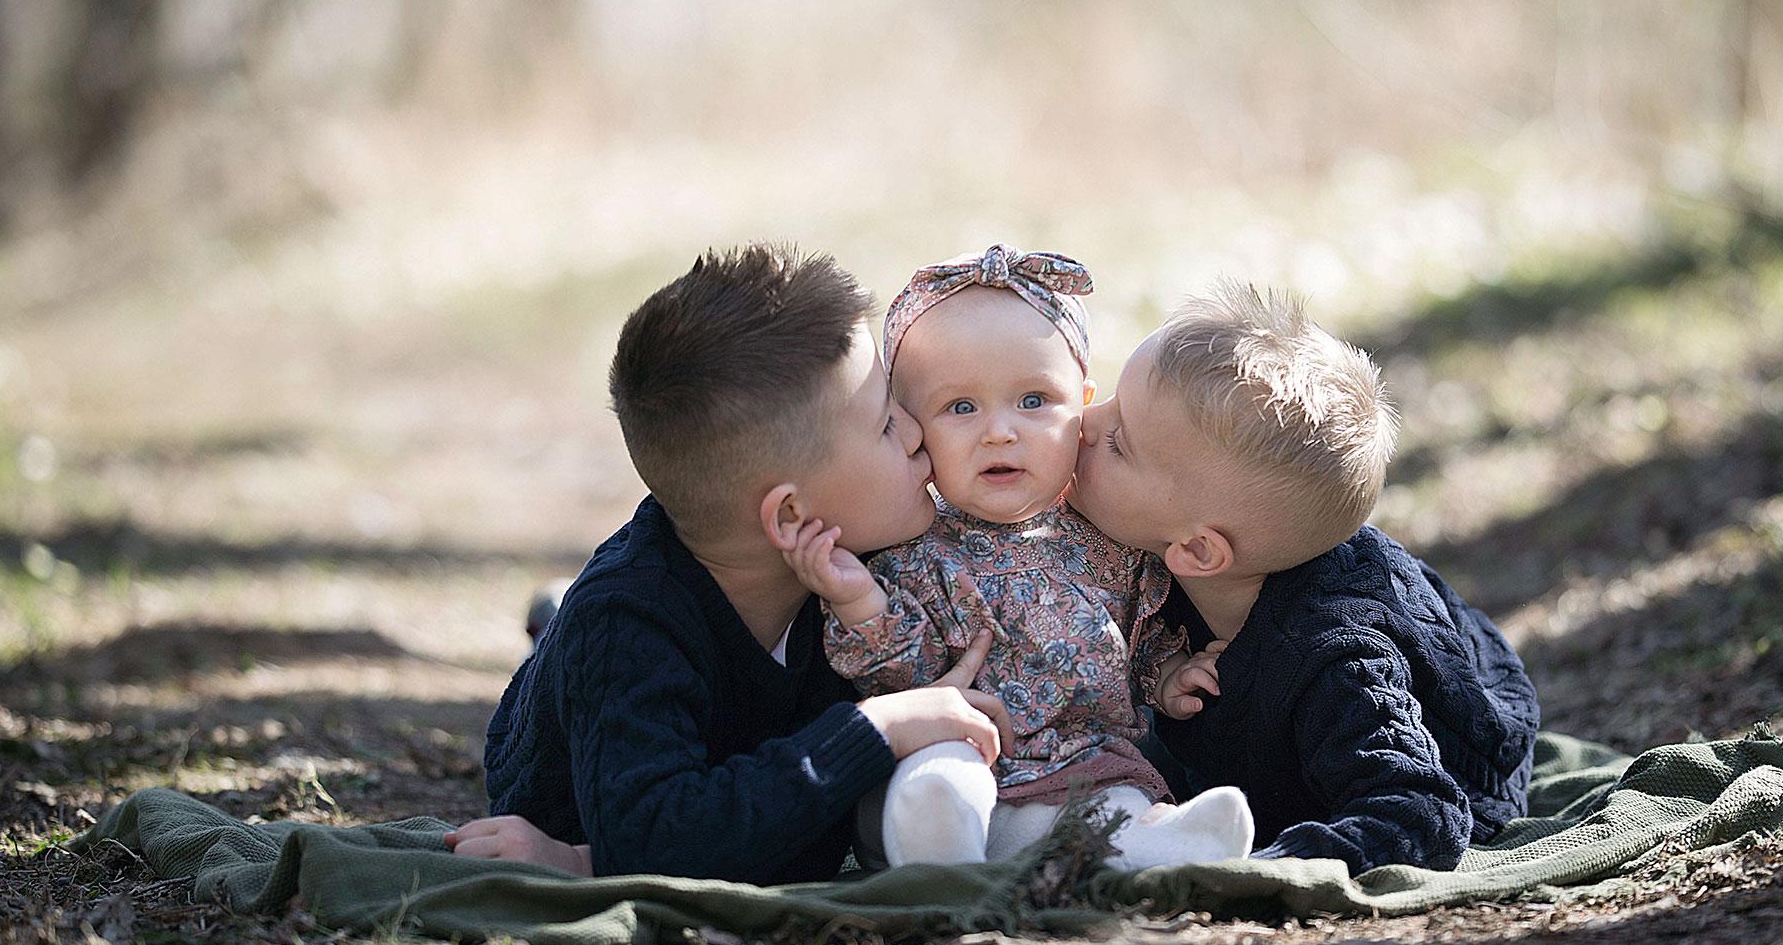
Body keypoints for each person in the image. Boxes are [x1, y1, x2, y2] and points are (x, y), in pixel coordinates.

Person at [444, 244, 1015, 883]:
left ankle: (552, 616)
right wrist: (878, 727)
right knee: (588, 633)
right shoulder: (627, 629)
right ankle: (555, 627)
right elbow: (656, 840)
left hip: (715, 697)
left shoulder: (859, 555)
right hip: (586, 760)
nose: (916, 433)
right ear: (791, 518)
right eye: (885, 424)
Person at [785, 245, 1254, 869]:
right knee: (940, 773)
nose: (1000, 431)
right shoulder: (912, 541)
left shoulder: (1108, 535)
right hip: (951, 744)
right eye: (961, 407)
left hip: (1079, 762)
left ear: (1082, 407)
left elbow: (1132, 637)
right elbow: (899, 677)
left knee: (1112, 800)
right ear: (910, 426)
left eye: (1033, 400)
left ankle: (1163, 846)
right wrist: (857, 599)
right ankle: (937, 836)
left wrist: (1166, 677)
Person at [1066, 280, 1541, 875]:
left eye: (1116, 441)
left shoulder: (1338, 664)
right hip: (1253, 734)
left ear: (1198, 549)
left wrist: (1274, 865)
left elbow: (1423, 811)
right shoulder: (1162, 547)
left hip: (1451, 762)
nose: (1082, 421)